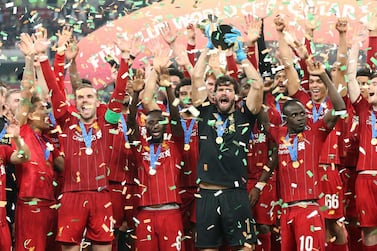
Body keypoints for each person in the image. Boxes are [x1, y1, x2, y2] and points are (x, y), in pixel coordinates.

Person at [35, 26, 128, 251]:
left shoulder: (108, 122)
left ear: (98, 102)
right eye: (80, 97)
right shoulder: (67, 122)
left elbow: (120, 93)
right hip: (71, 196)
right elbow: (55, 90)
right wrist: (44, 58)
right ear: (75, 102)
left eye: (90, 96)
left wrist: (126, 59)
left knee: (104, 246)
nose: (85, 100)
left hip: (101, 196)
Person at [274, 15, 346, 250]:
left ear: (326, 84)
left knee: (334, 225)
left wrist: (341, 36)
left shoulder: (332, 103)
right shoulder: (300, 101)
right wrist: (280, 33)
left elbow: (340, 70)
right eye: (311, 81)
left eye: (319, 81)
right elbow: (287, 65)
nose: (314, 85)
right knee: (313, 230)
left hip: (328, 169)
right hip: (302, 176)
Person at [191, 23, 263, 251]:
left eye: (229, 89)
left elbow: (258, 84)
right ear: (213, 95)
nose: (224, 92)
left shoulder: (245, 116)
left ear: (236, 95)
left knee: (246, 247)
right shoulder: (204, 112)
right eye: (220, 89)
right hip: (208, 194)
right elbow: (195, 77)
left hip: (236, 194)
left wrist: (241, 55)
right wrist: (209, 47)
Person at [127, 48, 186, 251]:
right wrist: (135, 94)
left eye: (159, 122)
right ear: (145, 126)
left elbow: (176, 118)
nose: (155, 125)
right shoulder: (139, 147)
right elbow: (130, 124)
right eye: (150, 123)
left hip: (171, 213)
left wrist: (168, 87)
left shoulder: (174, 143)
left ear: (164, 124)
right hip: (144, 213)